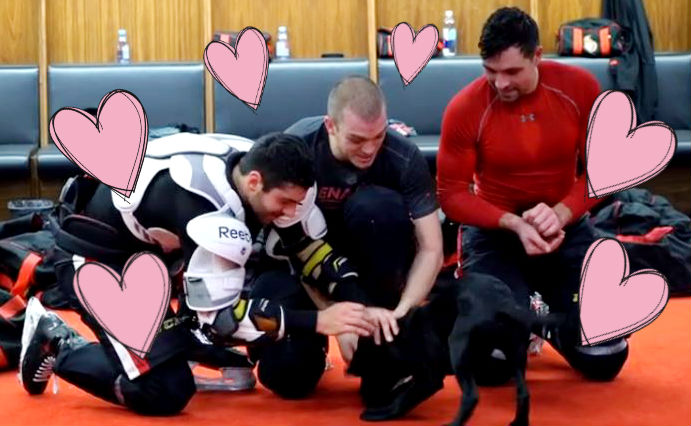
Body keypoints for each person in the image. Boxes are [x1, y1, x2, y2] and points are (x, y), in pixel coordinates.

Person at [19, 132, 377, 415]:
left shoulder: (261, 166)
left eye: (296, 202)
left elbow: (307, 247)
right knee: (165, 390)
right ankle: (58, 341)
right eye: (283, 202)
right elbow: (222, 320)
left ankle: (174, 341)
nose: (289, 212)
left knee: (219, 338)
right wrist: (318, 322)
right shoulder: (208, 208)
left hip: (157, 254)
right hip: (101, 261)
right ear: (254, 182)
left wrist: (361, 303)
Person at [437, 6, 629, 385]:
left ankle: (541, 322)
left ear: (537, 56)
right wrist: (511, 222)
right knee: (490, 368)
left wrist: (561, 213)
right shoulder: (465, 107)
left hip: (565, 228)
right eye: (490, 71)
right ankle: (520, 316)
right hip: (496, 233)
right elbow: (451, 194)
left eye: (512, 72)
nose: (500, 83)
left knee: (606, 361)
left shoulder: (579, 89)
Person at [284, 75, 449, 420]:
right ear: (331, 125)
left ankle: (379, 346)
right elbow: (290, 246)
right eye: (357, 139)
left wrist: (401, 313)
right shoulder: (298, 149)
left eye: (378, 137)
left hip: (375, 264)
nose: (370, 149)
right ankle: (323, 348)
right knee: (288, 378)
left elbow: (431, 249)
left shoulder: (403, 156)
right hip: (310, 262)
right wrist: (340, 319)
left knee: (379, 208)